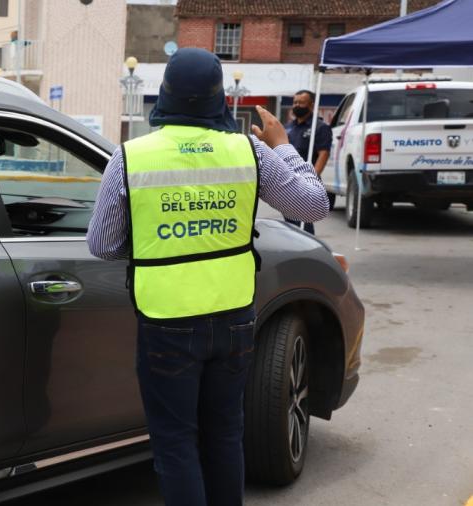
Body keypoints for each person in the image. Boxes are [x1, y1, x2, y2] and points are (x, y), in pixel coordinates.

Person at [86, 48, 329, 506]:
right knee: (224, 435)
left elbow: (101, 244)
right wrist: (283, 145)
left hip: (166, 320)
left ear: (165, 96)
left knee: (177, 444)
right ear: (220, 98)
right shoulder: (249, 150)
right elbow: (314, 205)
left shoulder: (131, 157)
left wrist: (155, 247)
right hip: (233, 317)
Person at [283, 89, 333, 234]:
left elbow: (323, 154)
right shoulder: (288, 128)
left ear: (311, 105)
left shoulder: (320, 128)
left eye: (301, 102)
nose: (297, 105)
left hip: (305, 181)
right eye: (295, 102)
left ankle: (308, 250)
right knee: (291, 223)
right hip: (288, 180)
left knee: (303, 225)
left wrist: (312, 178)